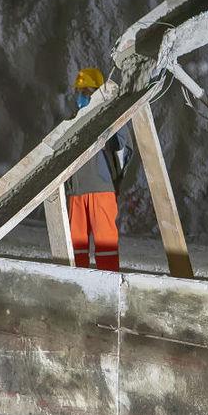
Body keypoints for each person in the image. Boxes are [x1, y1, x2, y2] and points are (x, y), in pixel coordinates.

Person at [64, 67, 132, 271]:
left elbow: (123, 151)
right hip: (76, 192)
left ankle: (108, 281)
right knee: (76, 246)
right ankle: (77, 283)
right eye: (79, 92)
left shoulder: (110, 117)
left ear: (97, 93)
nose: (81, 97)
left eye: (86, 92)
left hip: (101, 188)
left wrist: (117, 182)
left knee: (105, 243)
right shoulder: (72, 120)